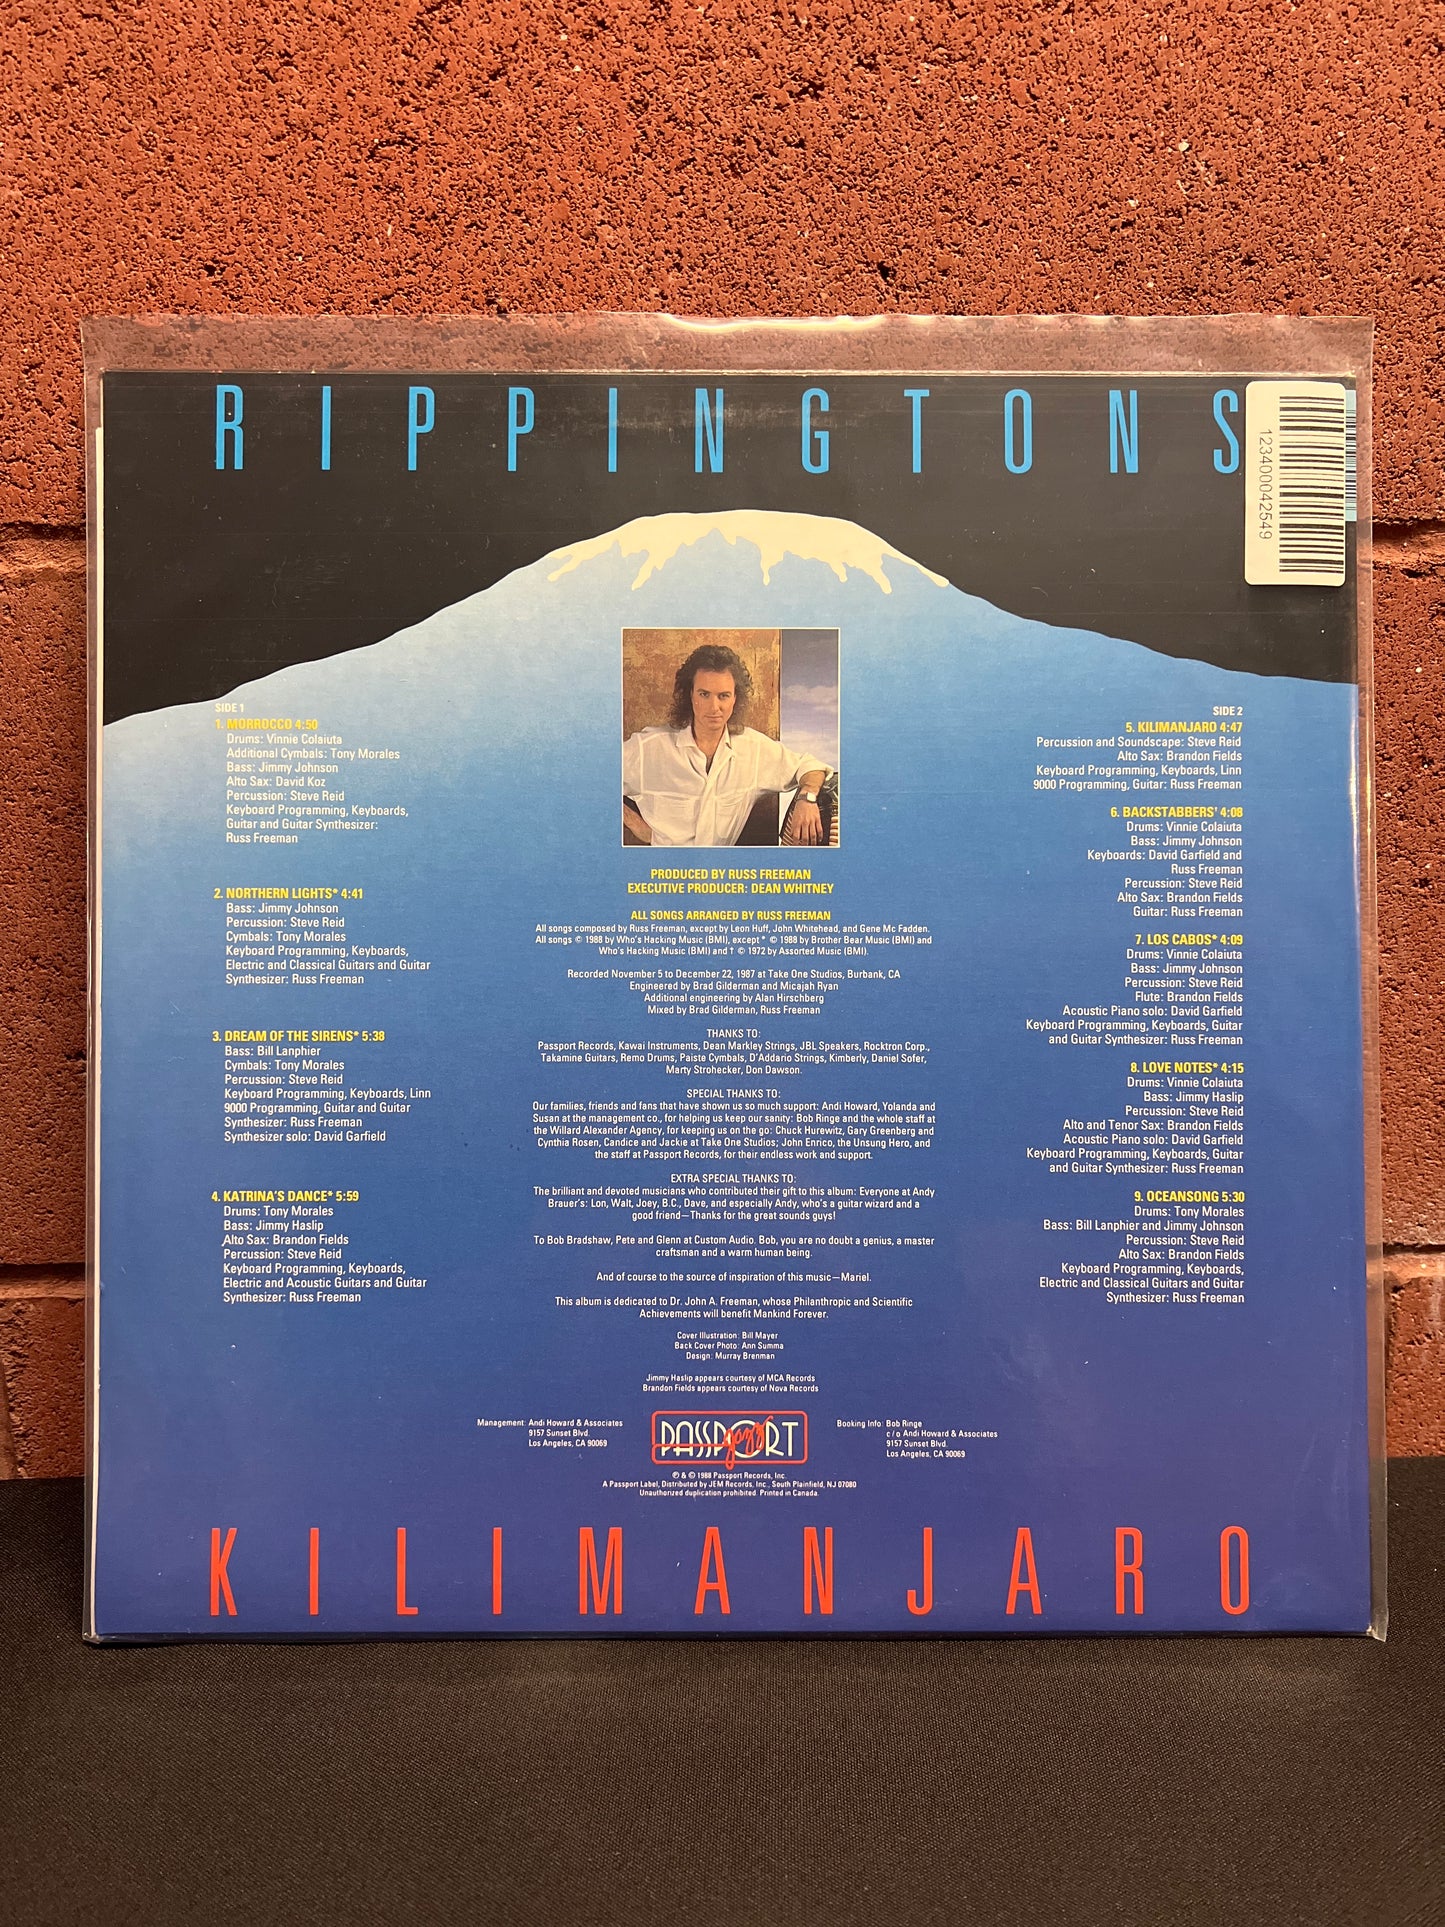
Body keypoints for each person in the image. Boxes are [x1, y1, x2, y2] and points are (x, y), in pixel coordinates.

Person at [623, 644, 831, 847]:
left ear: (735, 699)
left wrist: (807, 798)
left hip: (721, 868)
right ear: (690, 695)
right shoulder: (647, 748)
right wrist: (636, 825)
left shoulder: (753, 749)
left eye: (723, 696)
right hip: (662, 866)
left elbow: (809, 766)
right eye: (704, 694)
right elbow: (602, 779)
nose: (714, 707)